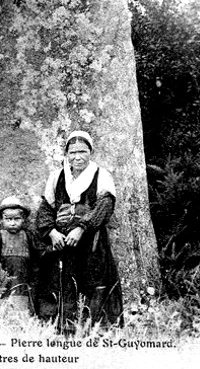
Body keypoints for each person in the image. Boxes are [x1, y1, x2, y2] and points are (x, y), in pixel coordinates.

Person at [35, 130, 123, 331]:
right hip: (62, 242)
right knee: (62, 282)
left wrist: (82, 228)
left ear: (90, 152)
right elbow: (46, 209)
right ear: (66, 153)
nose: (77, 157)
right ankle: (63, 328)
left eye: (82, 151)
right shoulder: (57, 177)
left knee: (93, 283)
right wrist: (51, 232)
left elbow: (105, 206)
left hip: (91, 242)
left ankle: (94, 330)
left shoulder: (101, 175)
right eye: (72, 152)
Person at [0, 196, 38, 313]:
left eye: (16, 219)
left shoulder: (28, 236)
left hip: (24, 276)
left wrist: (34, 276)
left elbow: (36, 256)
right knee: (5, 299)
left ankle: (22, 321)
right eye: (8, 219)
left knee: (23, 300)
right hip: (6, 275)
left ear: (23, 219)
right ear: (2, 220)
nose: (12, 223)